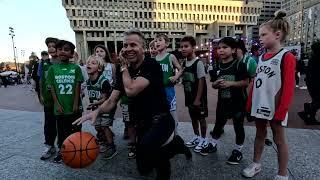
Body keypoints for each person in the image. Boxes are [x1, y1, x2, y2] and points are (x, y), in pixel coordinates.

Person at [73, 29, 191, 180]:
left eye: (133, 45)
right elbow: (111, 101)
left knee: (151, 150)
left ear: (143, 48)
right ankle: (176, 144)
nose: (128, 49)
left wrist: (123, 67)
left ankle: (170, 155)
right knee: (144, 168)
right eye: (125, 45)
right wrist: (96, 112)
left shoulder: (151, 64)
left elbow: (131, 90)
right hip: (142, 123)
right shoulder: (125, 72)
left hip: (161, 120)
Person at [242, 11, 296, 180]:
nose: (261, 38)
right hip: (260, 105)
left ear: (278, 35)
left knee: (279, 139)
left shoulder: (286, 57)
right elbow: (256, 82)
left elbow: (288, 88)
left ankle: (282, 174)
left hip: (275, 106)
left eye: (264, 34)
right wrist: (250, 103)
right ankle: (256, 163)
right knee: (259, 135)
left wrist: (282, 110)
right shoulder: (261, 57)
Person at [205, 37, 249, 165]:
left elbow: (246, 82)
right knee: (218, 124)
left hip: (238, 102)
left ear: (234, 49)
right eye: (219, 48)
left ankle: (238, 150)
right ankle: (213, 144)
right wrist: (216, 84)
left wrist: (231, 83)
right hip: (223, 101)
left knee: (238, 126)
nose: (221, 50)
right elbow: (213, 84)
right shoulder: (216, 65)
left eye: (225, 47)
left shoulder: (239, 64)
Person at [47, 40, 84, 163]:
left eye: (66, 49)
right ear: (56, 52)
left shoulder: (76, 68)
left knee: (76, 130)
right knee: (62, 132)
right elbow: (52, 87)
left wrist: (75, 103)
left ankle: (76, 150)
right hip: (60, 108)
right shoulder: (52, 69)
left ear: (72, 54)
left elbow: (77, 87)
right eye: (60, 49)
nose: (63, 51)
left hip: (74, 107)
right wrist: (57, 104)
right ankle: (62, 151)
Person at [180, 36, 209, 153]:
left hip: (199, 99)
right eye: (181, 47)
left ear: (193, 48)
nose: (183, 49)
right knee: (193, 118)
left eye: (186, 46)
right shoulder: (184, 63)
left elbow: (201, 81)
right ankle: (196, 136)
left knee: (201, 118)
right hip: (189, 97)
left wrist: (198, 99)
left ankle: (203, 139)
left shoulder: (198, 63)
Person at [85, 55, 118, 159]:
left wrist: (94, 104)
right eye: (88, 62)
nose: (89, 64)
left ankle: (111, 146)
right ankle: (107, 138)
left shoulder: (103, 82)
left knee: (104, 126)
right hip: (96, 107)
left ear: (99, 68)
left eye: (93, 63)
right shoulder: (88, 81)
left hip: (107, 106)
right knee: (98, 127)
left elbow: (105, 99)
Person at [155, 33, 183, 135]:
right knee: (159, 114)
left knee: (172, 113)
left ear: (167, 44)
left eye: (159, 40)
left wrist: (176, 77)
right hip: (157, 91)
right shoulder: (154, 58)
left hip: (168, 90)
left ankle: (176, 135)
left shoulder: (171, 56)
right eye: (156, 40)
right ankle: (163, 136)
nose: (157, 42)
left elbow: (180, 69)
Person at [38, 37, 60, 160]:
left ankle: (63, 147)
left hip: (61, 99)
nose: (51, 48)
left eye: (54, 46)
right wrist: (40, 94)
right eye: (49, 46)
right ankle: (49, 146)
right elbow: (41, 79)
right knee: (49, 124)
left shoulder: (64, 63)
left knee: (61, 124)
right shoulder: (43, 63)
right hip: (49, 99)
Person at [298, 41, 320, 125]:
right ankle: (305, 113)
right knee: (317, 101)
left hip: (311, 83)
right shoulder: (317, 58)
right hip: (315, 84)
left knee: (316, 100)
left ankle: (310, 117)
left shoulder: (313, 57)